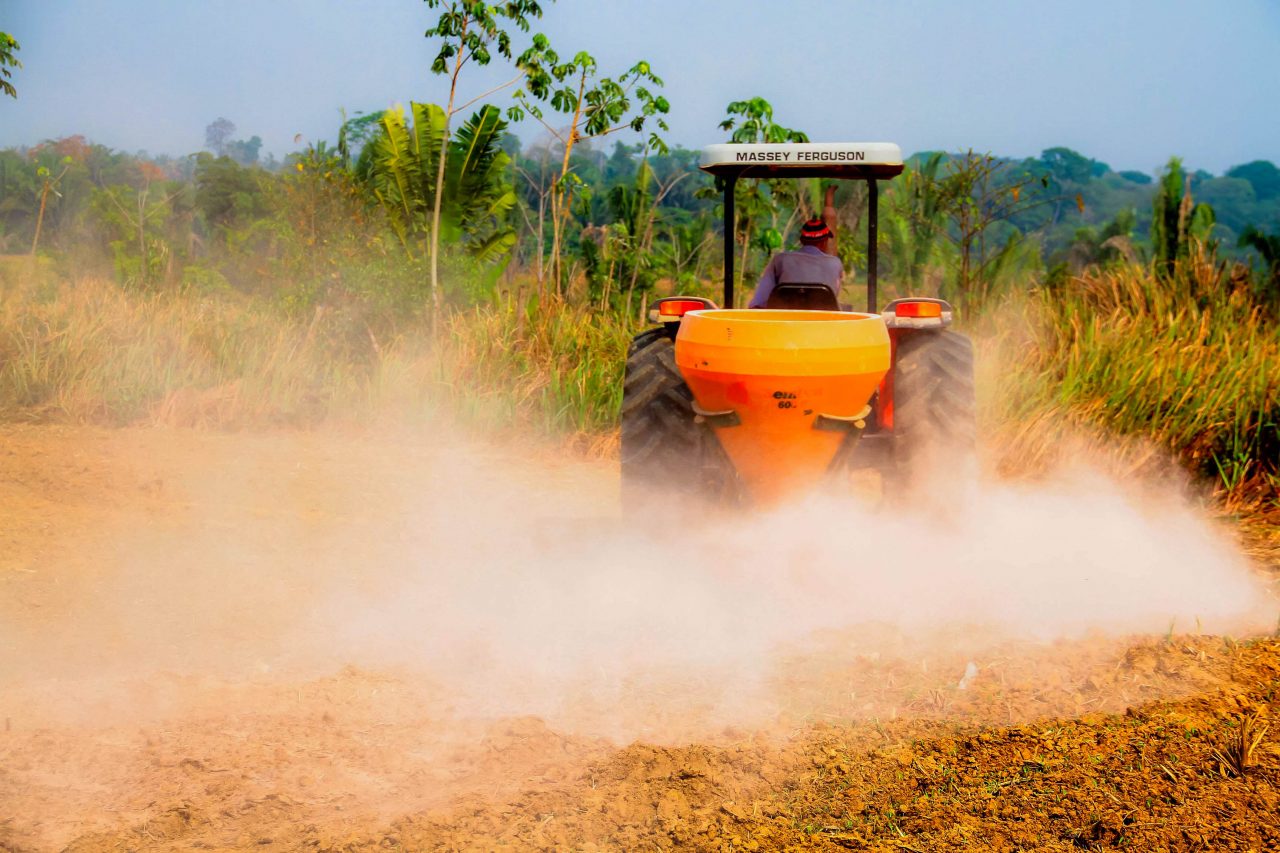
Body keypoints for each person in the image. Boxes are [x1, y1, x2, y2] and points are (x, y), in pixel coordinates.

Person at [748, 185, 843, 308]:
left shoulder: (780, 260)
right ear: (825, 242)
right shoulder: (835, 263)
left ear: (802, 240)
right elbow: (833, 296)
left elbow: (759, 303)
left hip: (785, 323)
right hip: (823, 324)